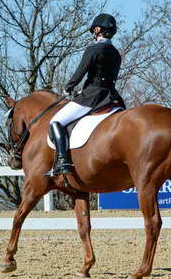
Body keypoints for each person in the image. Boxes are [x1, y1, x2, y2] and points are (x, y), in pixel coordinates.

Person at [48, 13, 125, 176]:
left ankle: (63, 161)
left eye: (93, 31)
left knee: (56, 121)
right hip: (111, 97)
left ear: (97, 29)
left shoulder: (94, 49)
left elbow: (80, 72)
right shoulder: (116, 53)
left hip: (92, 97)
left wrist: (68, 88)